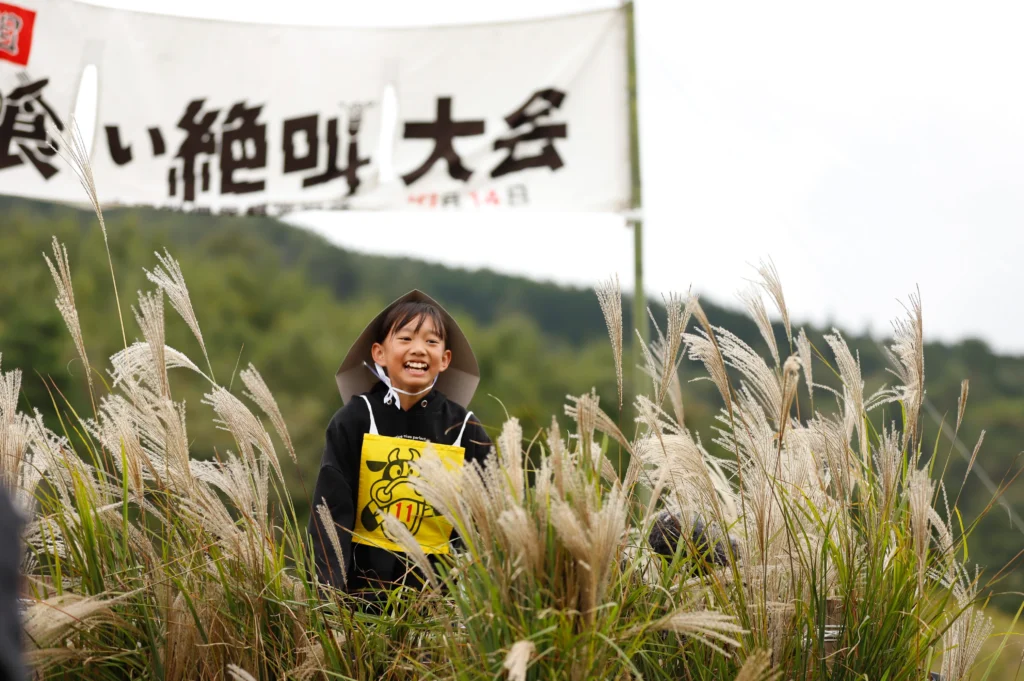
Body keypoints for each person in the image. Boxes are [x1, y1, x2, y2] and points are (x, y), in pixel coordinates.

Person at [308, 291, 491, 596]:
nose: (419, 350)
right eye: (405, 338)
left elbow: (488, 521)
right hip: (360, 603)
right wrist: (328, 597)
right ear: (379, 353)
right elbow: (330, 513)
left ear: (445, 359)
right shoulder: (355, 420)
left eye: (431, 341)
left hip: (439, 607)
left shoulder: (464, 429)